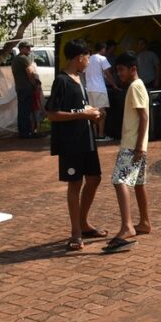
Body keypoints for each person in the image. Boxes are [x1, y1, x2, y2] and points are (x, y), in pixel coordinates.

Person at [46, 39, 106, 251]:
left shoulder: (78, 79)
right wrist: (84, 114)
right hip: (71, 142)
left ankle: (84, 222)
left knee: (94, 178)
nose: (89, 62)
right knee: (75, 184)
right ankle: (75, 232)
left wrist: (91, 112)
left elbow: (77, 108)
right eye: (87, 57)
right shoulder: (61, 81)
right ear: (79, 57)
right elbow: (52, 114)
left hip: (86, 138)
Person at [103, 51, 152, 253]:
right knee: (138, 183)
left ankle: (127, 226)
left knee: (119, 180)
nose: (119, 74)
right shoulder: (136, 86)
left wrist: (139, 145)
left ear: (133, 69)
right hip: (137, 143)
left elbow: (144, 117)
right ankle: (145, 222)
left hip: (132, 145)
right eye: (117, 70)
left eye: (121, 70)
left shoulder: (134, 87)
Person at [85, 42, 117, 141]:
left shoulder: (88, 58)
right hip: (99, 88)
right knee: (103, 112)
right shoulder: (102, 59)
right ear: (103, 49)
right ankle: (101, 134)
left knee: (93, 111)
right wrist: (114, 85)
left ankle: (94, 134)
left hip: (89, 88)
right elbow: (108, 73)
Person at [11, 40, 40, 138]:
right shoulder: (23, 58)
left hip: (20, 87)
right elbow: (30, 73)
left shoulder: (15, 59)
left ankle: (23, 132)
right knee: (27, 111)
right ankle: (27, 132)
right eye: (27, 48)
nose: (29, 50)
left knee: (22, 110)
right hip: (26, 88)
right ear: (22, 49)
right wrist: (34, 84)